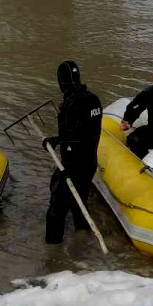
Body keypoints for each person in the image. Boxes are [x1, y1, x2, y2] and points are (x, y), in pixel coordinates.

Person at [42, 61, 103, 244]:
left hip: (73, 165)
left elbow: (73, 137)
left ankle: (53, 253)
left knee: (56, 208)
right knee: (80, 200)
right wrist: (56, 140)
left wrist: (66, 167)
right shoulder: (93, 99)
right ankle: (82, 237)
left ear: (62, 81)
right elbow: (79, 133)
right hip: (90, 162)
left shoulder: (71, 104)